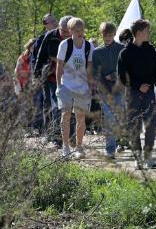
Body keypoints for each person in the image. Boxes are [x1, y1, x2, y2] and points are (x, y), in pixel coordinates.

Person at [118, 19, 156, 169]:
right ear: (139, 33)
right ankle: (138, 158)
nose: (149, 33)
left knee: (151, 125)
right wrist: (137, 86)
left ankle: (148, 156)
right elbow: (122, 76)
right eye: (147, 31)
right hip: (132, 94)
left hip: (149, 94)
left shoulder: (151, 50)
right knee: (134, 126)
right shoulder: (125, 53)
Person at [55, 18, 95, 158]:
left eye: (81, 30)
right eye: (76, 30)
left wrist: (90, 85)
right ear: (70, 31)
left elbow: (89, 67)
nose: (80, 33)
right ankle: (65, 147)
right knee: (65, 115)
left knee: (80, 117)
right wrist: (59, 85)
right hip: (66, 85)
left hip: (82, 87)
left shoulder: (89, 46)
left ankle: (79, 147)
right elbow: (59, 65)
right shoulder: (65, 45)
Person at [34, 15, 72, 146]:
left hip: (69, 78)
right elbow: (40, 56)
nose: (66, 34)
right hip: (51, 77)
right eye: (64, 31)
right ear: (59, 27)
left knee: (67, 107)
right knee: (54, 105)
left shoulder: (76, 37)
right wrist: (37, 74)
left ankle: (67, 136)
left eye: (69, 31)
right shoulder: (50, 36)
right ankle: (55, 137)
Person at [90, 22, 125, 159]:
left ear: (115, 34)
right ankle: (110, 149)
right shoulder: (97, 52)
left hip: (120, 89)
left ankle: (120, 142)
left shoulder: (122, 49)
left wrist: (116, 75)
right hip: (105, 90)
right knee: (110, 118)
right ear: (102, 35)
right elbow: (95, 73)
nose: (108, 37)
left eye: (110, 34)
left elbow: (126, 68)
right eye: (105, 35)